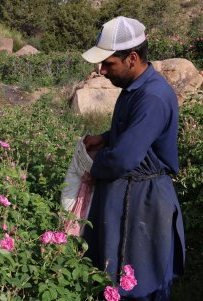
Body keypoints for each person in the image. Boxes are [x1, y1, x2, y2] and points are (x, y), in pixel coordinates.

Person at [80, 16, 185, 300]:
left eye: (108, 63)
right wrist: (106, 137)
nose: (101, 70)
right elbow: (132, 131)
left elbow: (123, 159)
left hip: (144, 201)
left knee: (139, 283)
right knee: (116, 274)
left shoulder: (152, 97)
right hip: (131, 192)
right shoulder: (134, 89)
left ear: (132, 58)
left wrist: (91, 166)